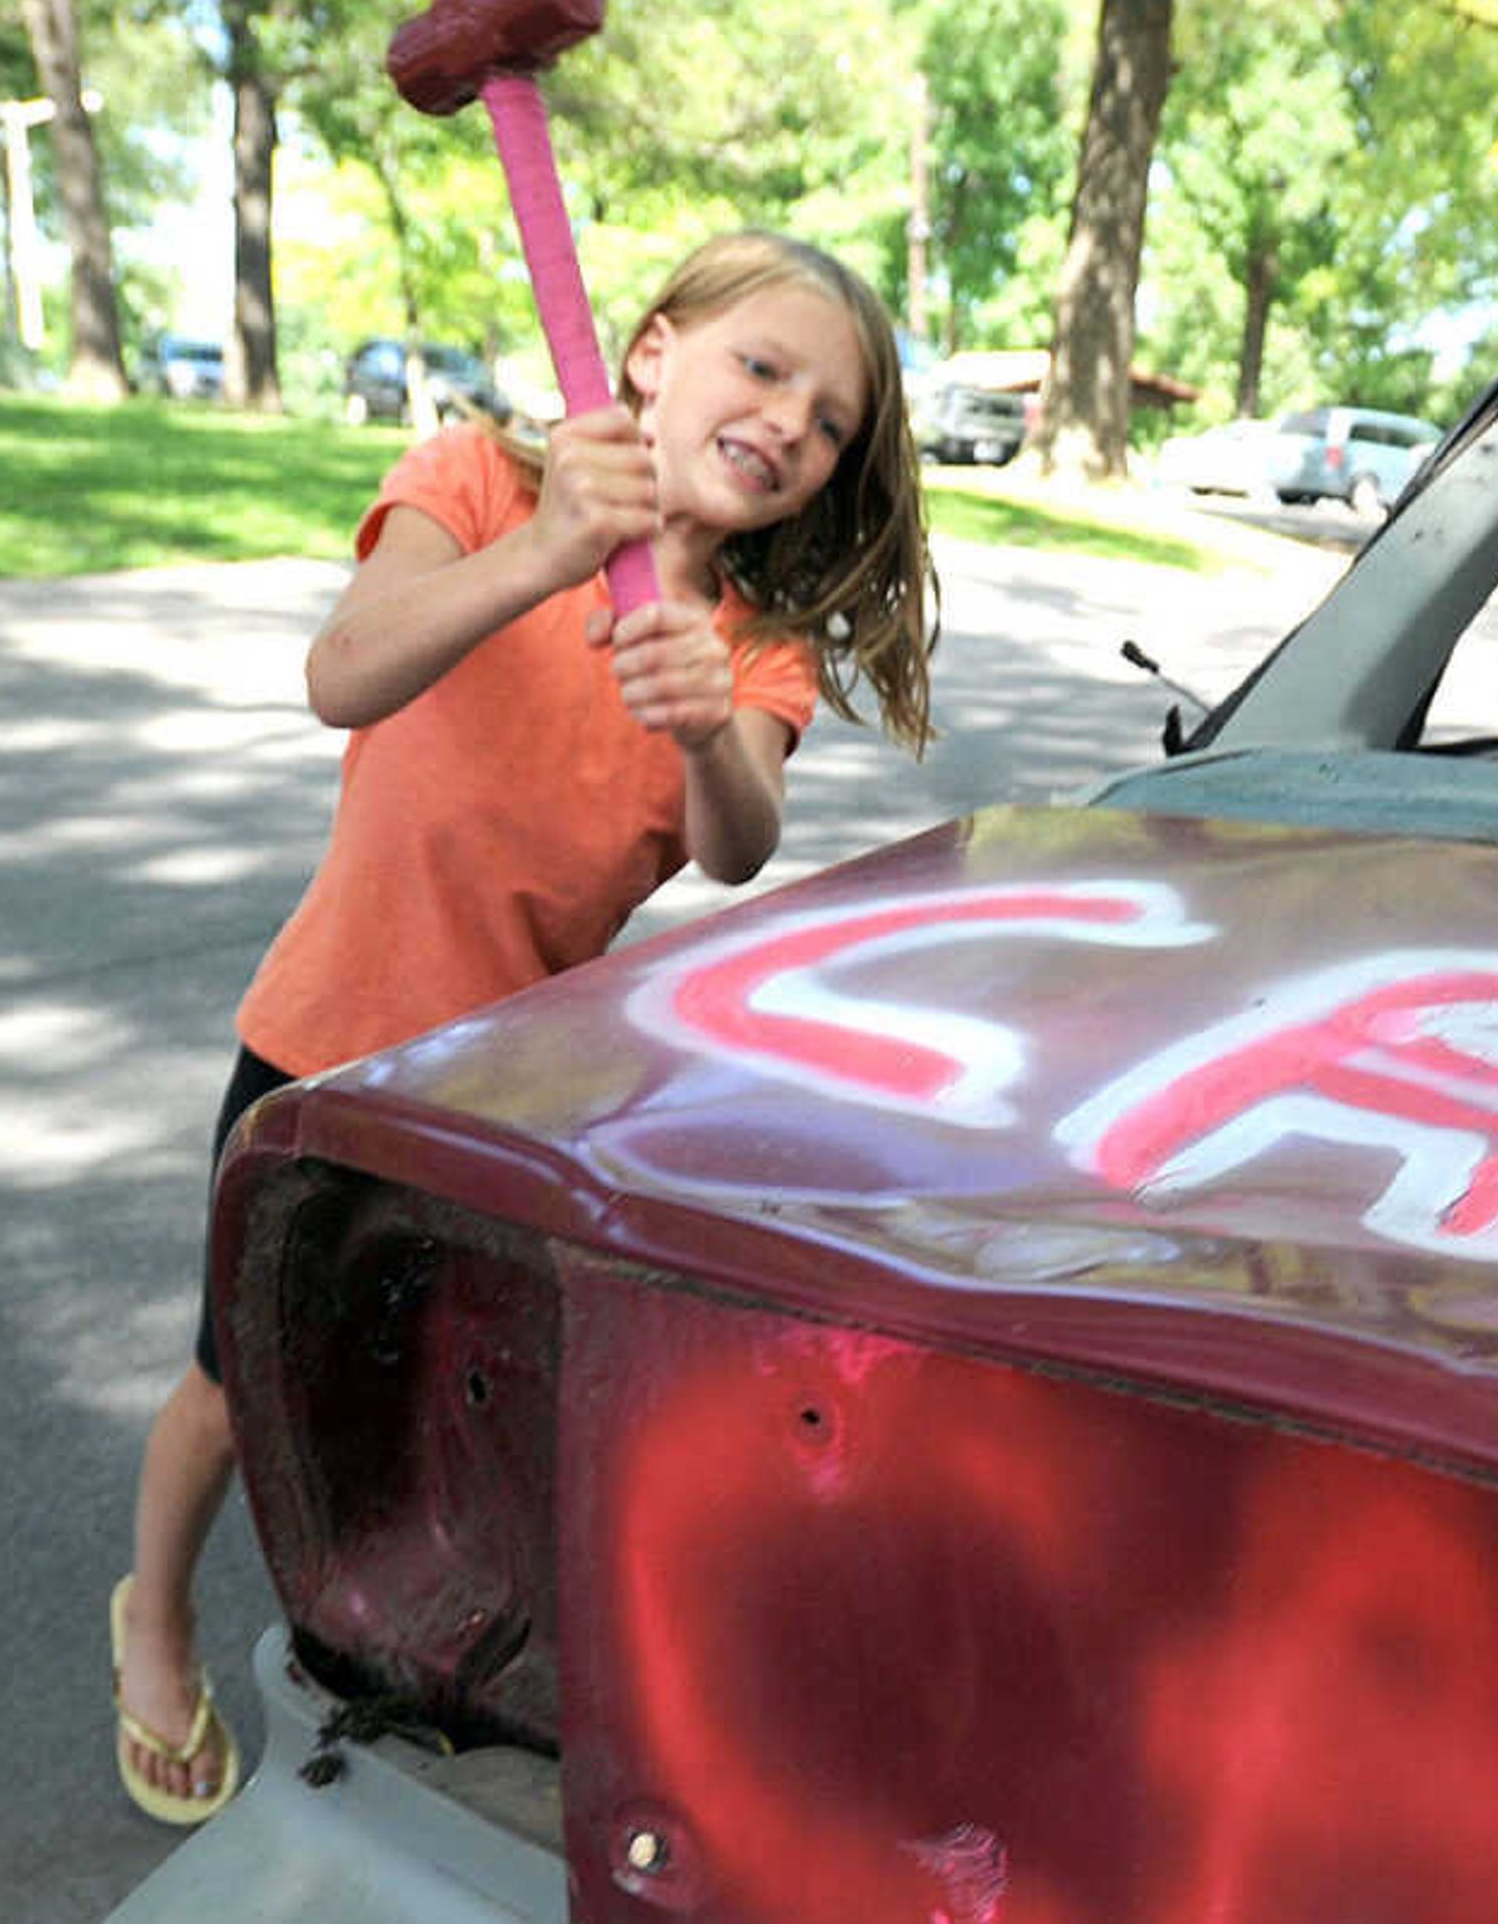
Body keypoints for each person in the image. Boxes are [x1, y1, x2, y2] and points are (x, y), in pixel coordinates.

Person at [108, 231, 939, 1824]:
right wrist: (551, 550)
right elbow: (341, 675)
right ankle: (150, 1615)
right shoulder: (484, 482)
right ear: (650, 352)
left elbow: (737, 842)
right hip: (323, 1049)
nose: (790, 421)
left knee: (438, 1386)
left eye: (830, 419)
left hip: (506, 1101)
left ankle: (399, 1638)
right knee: (235, 1382)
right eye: (762, 366)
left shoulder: (745, 641)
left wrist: (708, 724)